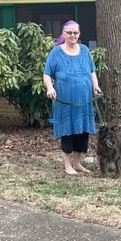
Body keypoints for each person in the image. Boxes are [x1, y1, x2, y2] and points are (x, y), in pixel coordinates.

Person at [43, 20, 102, 175]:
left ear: (79, 34)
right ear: (64, 34)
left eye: (75, 33)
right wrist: (50, 88)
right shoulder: (56, 52)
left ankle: (77, 163)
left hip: (84, 101)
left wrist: (95, 85)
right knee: (67, 131)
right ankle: (67, 165)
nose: (72, 35)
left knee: (82, 132)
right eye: (69, 32)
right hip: (65, 102)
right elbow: (47, 74)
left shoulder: (84, 50)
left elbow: (92, 72)